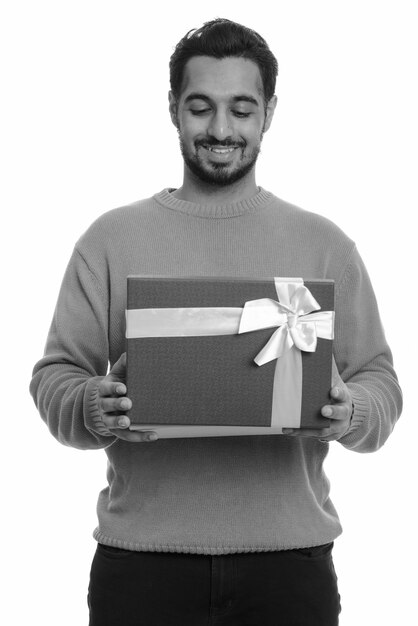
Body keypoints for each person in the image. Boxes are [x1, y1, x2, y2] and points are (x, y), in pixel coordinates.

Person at [30, 18, 402, 626]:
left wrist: (352, 410)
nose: (221, 130)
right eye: (201, 108)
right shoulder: (109, 241)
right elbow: (55, 376)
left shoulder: (324, 244)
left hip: (290, 563)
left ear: (270, 113)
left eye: (242, 109)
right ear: (174, 109)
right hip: (142, 564)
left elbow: (380, 383)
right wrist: (90, 405)